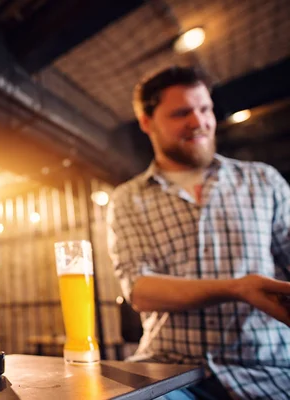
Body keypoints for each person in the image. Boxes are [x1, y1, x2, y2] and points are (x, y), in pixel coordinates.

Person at [107, 65, 290, 400]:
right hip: (168, 371)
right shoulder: (128, 199)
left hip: (267, 367)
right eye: (181, 113)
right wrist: (238, 288)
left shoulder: (263, 181)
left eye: (205, 109)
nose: (199, 121)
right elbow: (141, 289)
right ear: (147, 123)